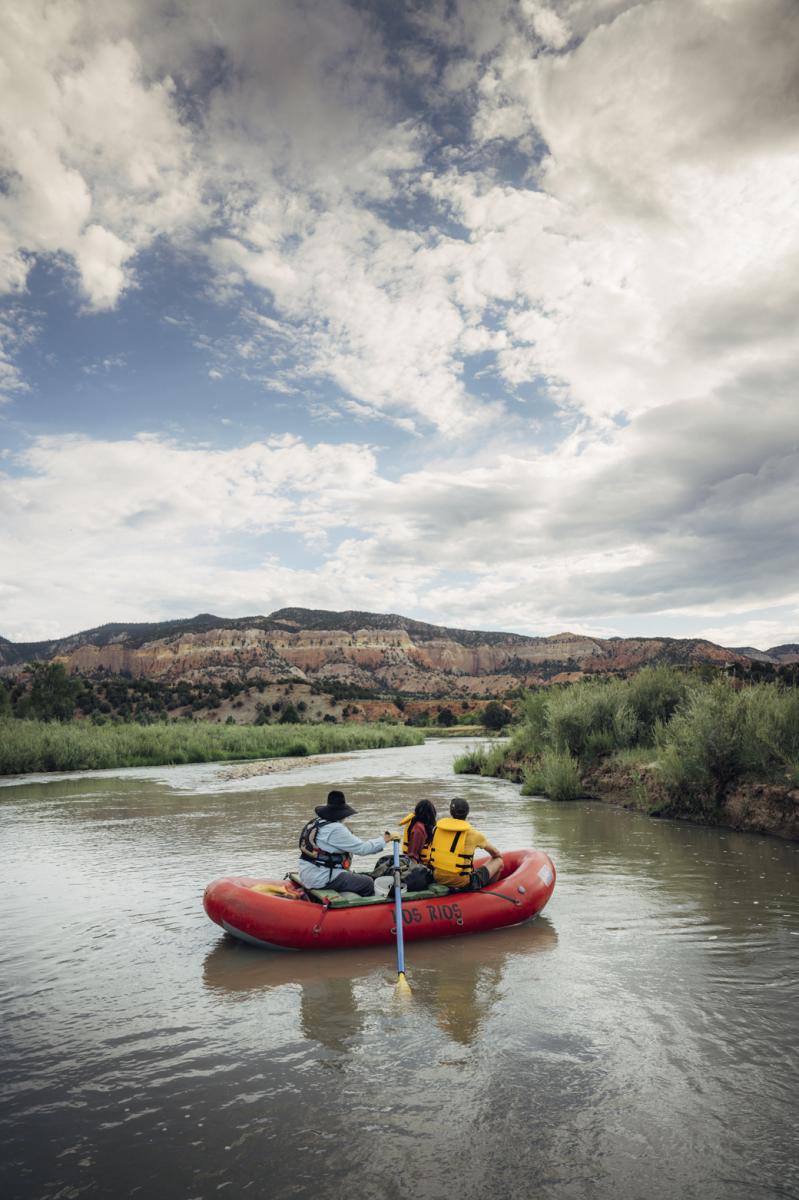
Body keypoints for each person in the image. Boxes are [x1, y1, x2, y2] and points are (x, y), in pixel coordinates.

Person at [298, 790, 390, 896]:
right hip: (321, 878)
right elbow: (363, 849)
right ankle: (365, 908)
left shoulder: (317, 822)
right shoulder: (335, 829)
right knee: (367, 882)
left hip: (307, 873)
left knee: (356, 876)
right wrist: (384, 839)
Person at [428, 797, 503, 891]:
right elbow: (496, 853)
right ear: (467, 813)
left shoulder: (436, 829)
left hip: (437, 877)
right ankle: (490, 892)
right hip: (463, 882)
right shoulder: (474, 834)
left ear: (451, 812)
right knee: (499, 861)